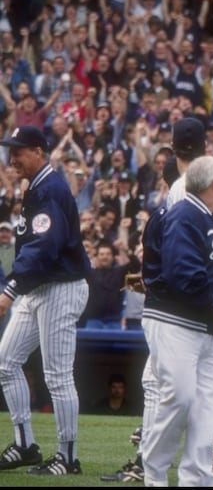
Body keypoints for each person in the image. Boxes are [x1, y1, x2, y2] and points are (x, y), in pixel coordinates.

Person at [139, 155, 213, 487]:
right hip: (176, 319)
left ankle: (197, 478)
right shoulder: (185, 213)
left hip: (205, 326)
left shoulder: (207, 215)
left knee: (209, 406)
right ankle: (153, 475)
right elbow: (184, 272)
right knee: (179, 397)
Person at [0, 125, 91, 476]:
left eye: (19, 150)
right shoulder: (36, 186)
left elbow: (44, 247)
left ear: (39, 151)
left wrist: (9, 289)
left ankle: (68, 457)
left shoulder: (50, 187)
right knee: (6, 362)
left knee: (57, 376)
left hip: (60, 287)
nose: (12, 157)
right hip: (39, 286)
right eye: (10, 150)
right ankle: (25, 445)